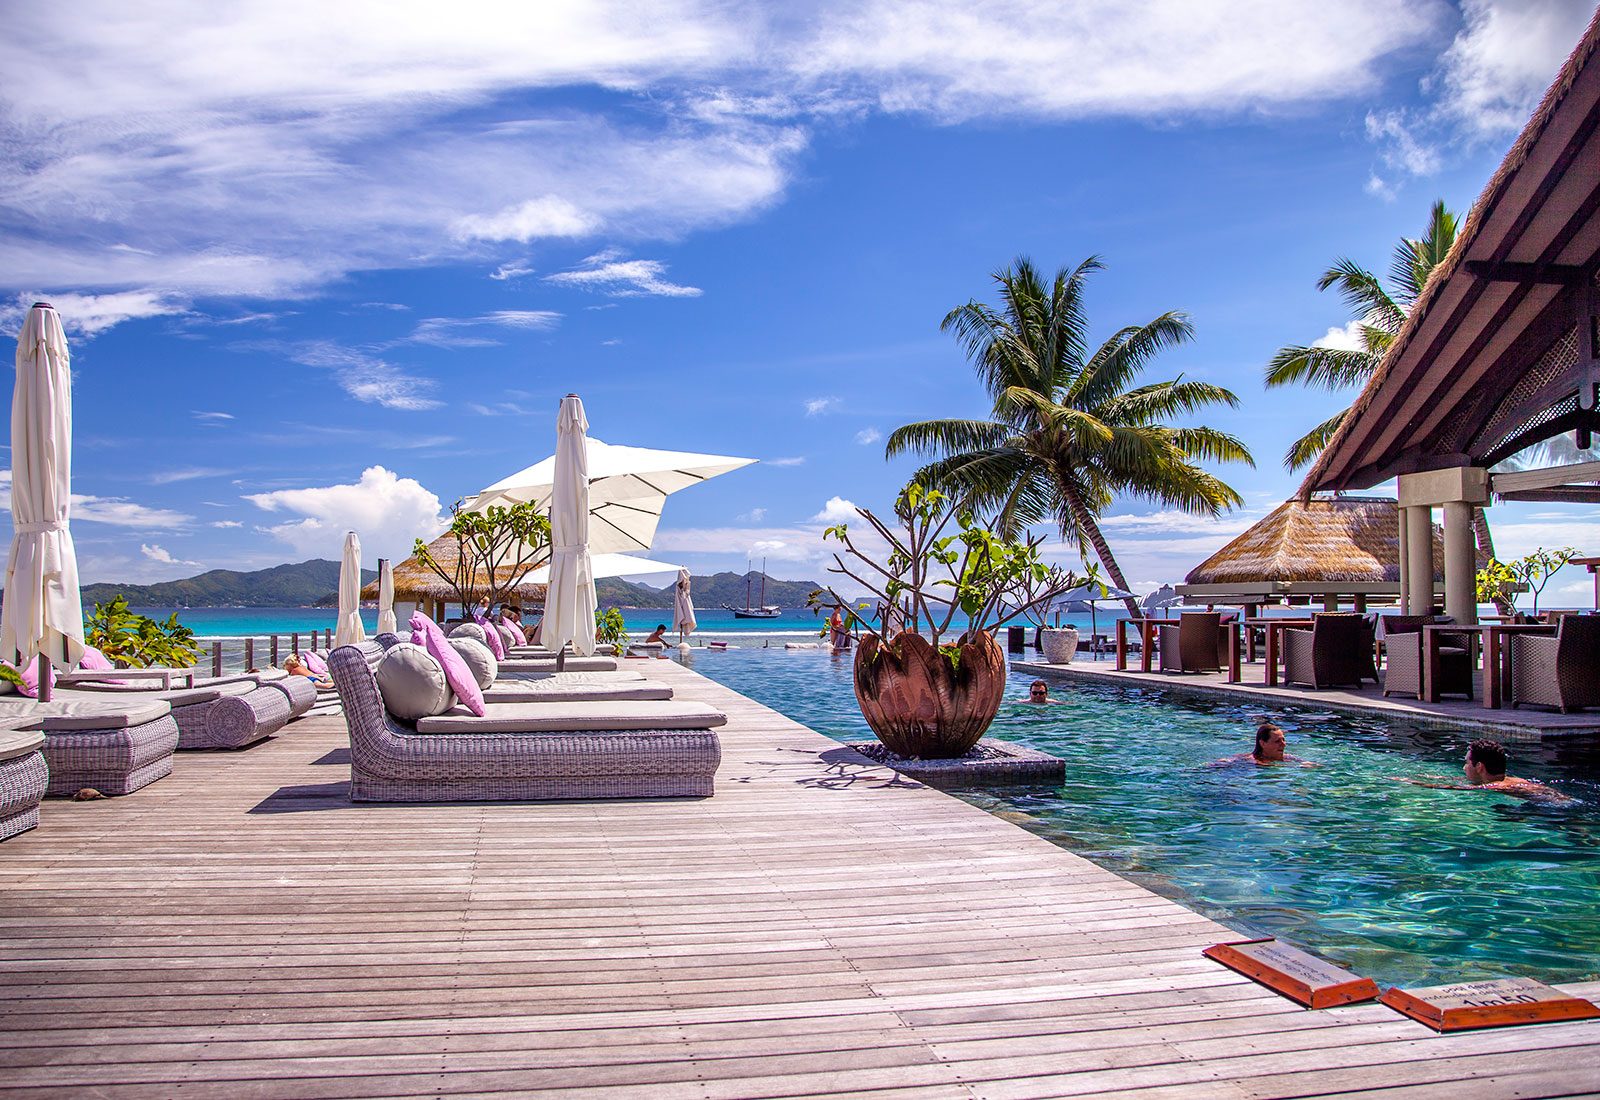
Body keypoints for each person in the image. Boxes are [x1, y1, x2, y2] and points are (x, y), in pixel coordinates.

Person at [1395, 739, 1573, 804]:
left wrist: (1414, 782)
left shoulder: (1497, 787)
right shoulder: (1509, 779)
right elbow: (1457, 780)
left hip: (1555, 809)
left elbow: (1456, 788)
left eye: (1467, 763)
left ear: (1479, 766)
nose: (1464, 768)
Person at [1209, 722, 1314, 767]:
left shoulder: (1288, 758)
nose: (1283, 745)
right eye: (1277, 741)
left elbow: (1312, 765)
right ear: (1263, 743)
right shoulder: (1253, 760)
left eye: (1283, 740)